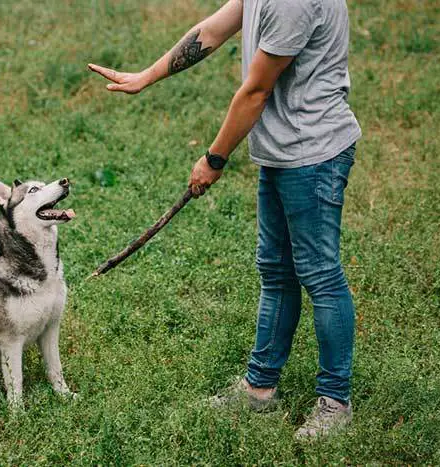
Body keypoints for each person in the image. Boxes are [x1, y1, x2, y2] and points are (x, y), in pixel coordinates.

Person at [88, 0, 361, 440]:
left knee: (320, 274)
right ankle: (259, 388)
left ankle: (335, 402)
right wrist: (146, 77)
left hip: (314, 154)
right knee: (276, 271)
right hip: (282, 151)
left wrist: (214, 158)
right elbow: (210, 32)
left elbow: (256, 92)